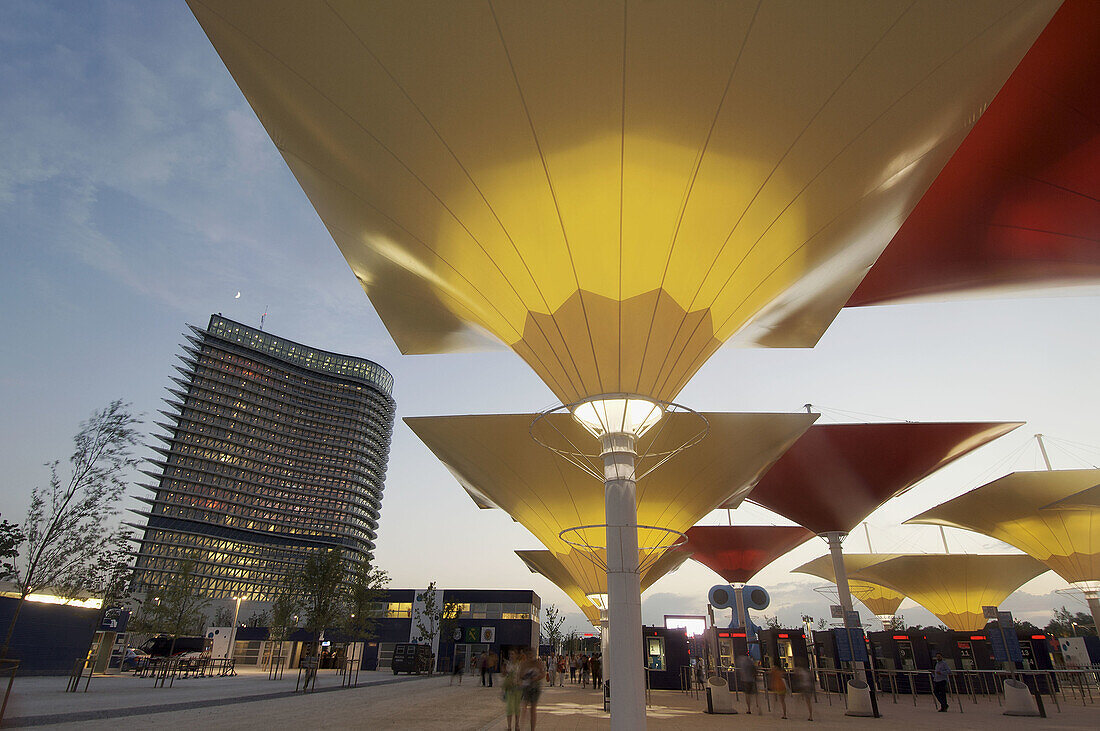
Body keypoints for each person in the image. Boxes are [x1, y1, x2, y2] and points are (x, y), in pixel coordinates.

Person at [518, 648, 545, 730]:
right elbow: (520, 675)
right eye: (529, 655)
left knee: (533, 708)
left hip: (535, 687)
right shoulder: (524, 664)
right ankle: (523, 725)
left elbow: (543, 674)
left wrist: (535, 678)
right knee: (524, 707)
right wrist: (525, 676)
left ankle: (532, 728)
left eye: (532, 654)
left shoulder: (538, 663)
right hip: (526, 687)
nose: (530, 656)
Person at [503, 650, 522, 731]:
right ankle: (509, 726)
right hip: (509, 689)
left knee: (517, 708)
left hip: (518, 688)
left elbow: (521, 675)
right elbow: (504, 675)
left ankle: (517, 725)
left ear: (516, 655)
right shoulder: (507, 665)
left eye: (513, 654)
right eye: (510, 654)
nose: (511, 656)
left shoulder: (519, 665)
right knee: (509, 708)